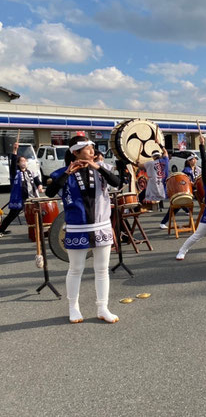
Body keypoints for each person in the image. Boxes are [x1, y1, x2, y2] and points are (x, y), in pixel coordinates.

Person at [46, 136, 121, 324]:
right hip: (76, 226)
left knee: (102, 269)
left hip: (101, 225)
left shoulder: (103, 169)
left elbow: (117, 182)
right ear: (75, 152)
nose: (92, 151)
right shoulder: (61, 173)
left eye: (92, 148)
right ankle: (73, 307)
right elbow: (49, 192)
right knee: (76, 268)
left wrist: (98, 167)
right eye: (87, 148)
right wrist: (68, 173)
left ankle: (102, 307)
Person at [0, 141, 43, 237]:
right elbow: (13, 163)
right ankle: (1, 229)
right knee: (12, 215)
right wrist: (15, 150)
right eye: (22, 161)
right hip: (20, 198)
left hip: (32, 197)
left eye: (25, 161)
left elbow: (37, 181)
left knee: (39, 213)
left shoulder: (31, 172)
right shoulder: (15, 173)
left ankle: (40, 231)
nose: (24, 163)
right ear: (18, 163)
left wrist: (40, 186)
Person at [137, 148, 169, 227]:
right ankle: (185, 208)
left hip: (153, 185)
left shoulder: (150, 163)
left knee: (141, 196)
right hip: (164, 185)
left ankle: (133, 210)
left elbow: (139, 165)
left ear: (153, 157)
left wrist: (137, 161)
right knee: (174, 199)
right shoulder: (165, 161)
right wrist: (159, 144)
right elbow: (166, 151)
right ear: (159, 155)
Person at [160, 156, 196, 227]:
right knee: (177, 205)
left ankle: (187, 211)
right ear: (189, 161)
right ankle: (163, 222)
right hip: (184, 190)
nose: (195, 160)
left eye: (195, 159)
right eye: (193, 159)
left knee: (180, 204)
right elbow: (186, 182)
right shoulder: (187, 170)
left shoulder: (196, 169)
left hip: (190, 190)